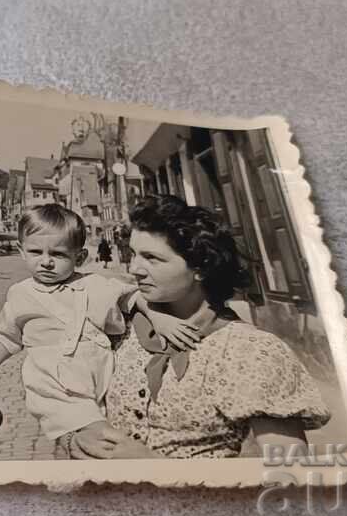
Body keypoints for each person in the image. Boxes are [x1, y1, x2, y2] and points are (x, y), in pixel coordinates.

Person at [63, 196, 330, 460]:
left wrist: (153, 465)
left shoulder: (252, 352)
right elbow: (61, 394)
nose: (134, 269)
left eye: (152, 258)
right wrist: (75, 437)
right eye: (134, 254)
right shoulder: (116, 325)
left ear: (200, 267)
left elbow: (290, 469)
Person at [0, 204, 194, 455]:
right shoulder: (20, 294)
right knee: (99, 440)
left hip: (99, 371)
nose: (46, 262)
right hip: (52, 384)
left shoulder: (95, 284)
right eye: (35, 252)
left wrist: (158, 318)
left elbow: (133, 297)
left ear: (80, 257)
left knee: (114, 425)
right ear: (21, 251)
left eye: (58, 254)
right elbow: (9, 335)